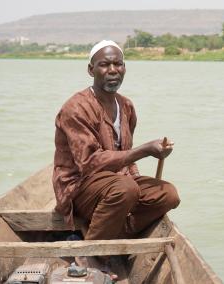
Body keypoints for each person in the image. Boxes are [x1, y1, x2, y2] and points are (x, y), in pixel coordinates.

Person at [52, 40, 180, 277]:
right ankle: (91, 254)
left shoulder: (126, 106)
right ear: (91, 70)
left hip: (117, 184)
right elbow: (89, 163)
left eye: (118, 64)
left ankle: (111, 234)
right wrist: (144, 151)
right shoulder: (76, 108)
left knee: (168, 194)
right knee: (125, 188)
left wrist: (146, 166)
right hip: (78, 187)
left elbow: (126, 155)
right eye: (104, 65)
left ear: (124, 68)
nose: (112, 70)